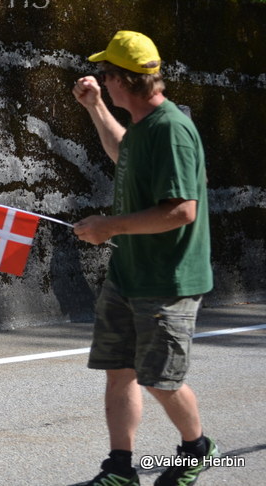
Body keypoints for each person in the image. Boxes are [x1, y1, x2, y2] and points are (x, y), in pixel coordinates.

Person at [71, 31, 217, 486]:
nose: (102, 80)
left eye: (106, 75)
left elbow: (181, 211)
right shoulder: (142, 126)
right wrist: (95, 108)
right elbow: (123, 155)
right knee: (120, 372)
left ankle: (198, 449)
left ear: (121, 80)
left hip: (167, 279)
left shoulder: (171, 130)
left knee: (159, 379)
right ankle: (120, 469)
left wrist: (108, 226)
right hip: (129, 273)